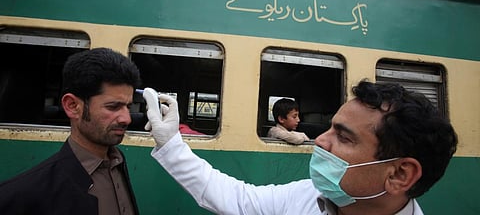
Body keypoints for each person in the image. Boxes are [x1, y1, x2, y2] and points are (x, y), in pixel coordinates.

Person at [141, 80, 457, 215]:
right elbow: (235, 198)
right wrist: (171, 143)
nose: (320, 140)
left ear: (400, 174)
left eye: (344, 137)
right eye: (330, 127)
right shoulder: (307, 196)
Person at [0, 48, 141, 215]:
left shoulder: (118, 165)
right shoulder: (19, 195)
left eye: (128, 107)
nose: (126, 118)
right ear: (72, 106)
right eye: (113, 107)